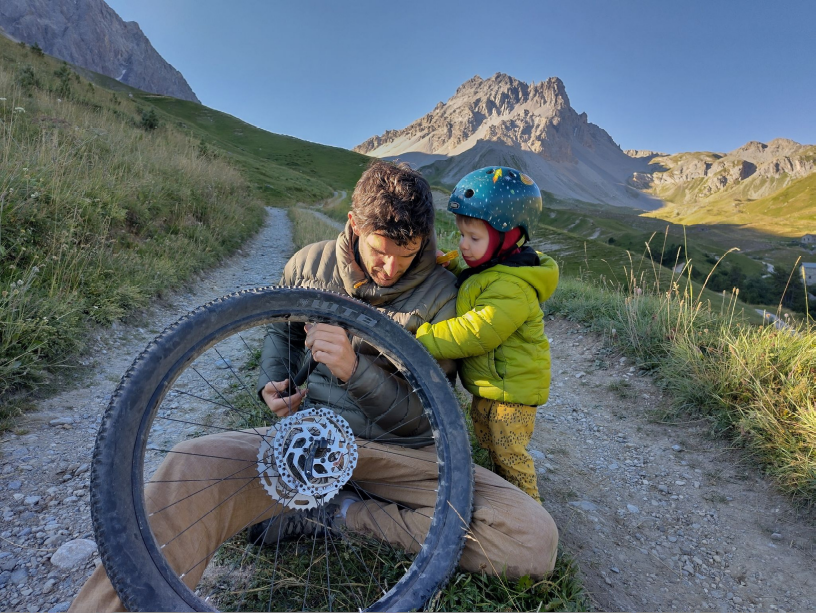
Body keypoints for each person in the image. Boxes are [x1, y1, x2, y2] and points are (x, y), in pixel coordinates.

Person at [70, 161, 558, 612]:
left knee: (532, 539)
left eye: (408, 255)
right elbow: (280, 332)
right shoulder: (307, 266)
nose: (392, 268)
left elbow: (424, 418)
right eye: (380, 252)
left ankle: (337, 514)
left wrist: (355, 371)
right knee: (185, 468)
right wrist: (271, 381)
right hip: (309, 441)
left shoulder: (443, 294)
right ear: (353, 223)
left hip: (401, 455)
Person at [415, 167, 558, 499]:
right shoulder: (492, 269)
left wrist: (422, 337)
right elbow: (474, 284)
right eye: (461, 235)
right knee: (486, 435)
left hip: (514, 392)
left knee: (509, 451)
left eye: (474, 238)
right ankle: (502, 489)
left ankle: (529, 509)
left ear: (508, 239)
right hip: (493, 387)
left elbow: (476, 332)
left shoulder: (512, 286)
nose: (464, 245)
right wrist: (451, 266)